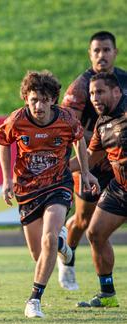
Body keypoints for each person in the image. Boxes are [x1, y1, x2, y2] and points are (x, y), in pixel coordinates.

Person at [0, 70, 98, 318]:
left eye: (44, 99)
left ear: (53, 99)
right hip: (27, 190)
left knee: (48, 238)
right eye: (33, 100)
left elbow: (79, 140)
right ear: (26, 100)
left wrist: (85, 172)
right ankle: (63, 243)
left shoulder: (66, 118)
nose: (38, 106)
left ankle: (33, 300)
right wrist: (7, 179)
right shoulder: (17, 119)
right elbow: (2, 142)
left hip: (57, 186)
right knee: (39, 254)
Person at [60, 31, 127, 290]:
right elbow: (73, 134)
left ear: (115, 52)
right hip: (98, 167)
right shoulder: (81, 87)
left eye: (106, 50)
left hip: (116, 164)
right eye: (96, 51)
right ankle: (67, 257)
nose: (101, 55)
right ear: (90, 54)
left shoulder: (123, 81)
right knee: (86, 223)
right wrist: (58, 169)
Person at [72, 72, 127, 308]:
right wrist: (55, 167)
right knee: (94, 233)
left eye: (100, 92)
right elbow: (90, 159)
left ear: (117, 92)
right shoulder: (102, 123)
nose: (94, 97)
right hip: (120, 188)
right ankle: (107, 294)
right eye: (92, 93)